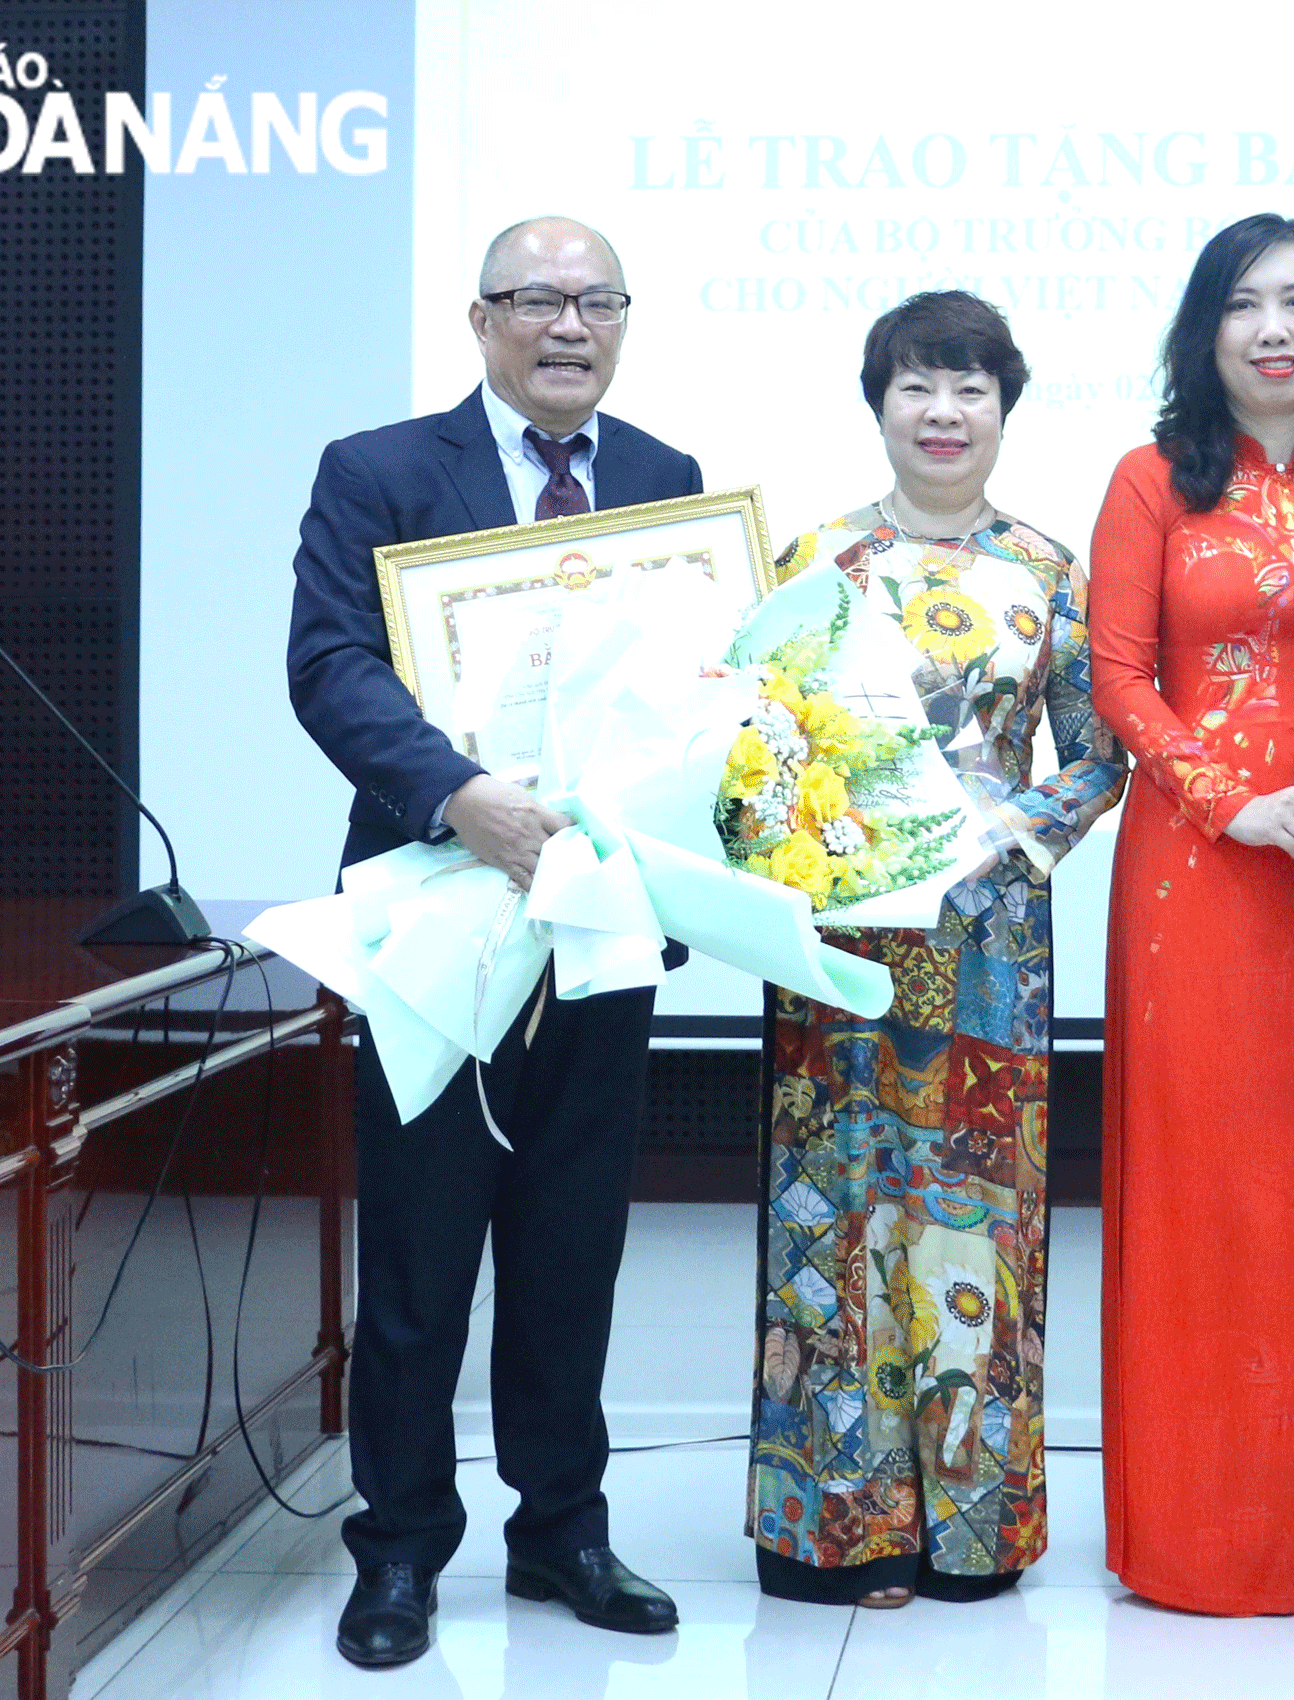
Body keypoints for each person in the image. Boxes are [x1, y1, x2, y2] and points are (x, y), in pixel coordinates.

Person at [288, 216, 698, 1667]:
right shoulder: (382, 473)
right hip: (434, 918)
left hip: (599, 926)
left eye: (596, 302)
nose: (568, 326)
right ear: (481, 321)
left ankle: (562, 1535)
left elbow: (685, 697)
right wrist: (461, 799)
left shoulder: (666, 484)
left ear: (624, 322)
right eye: (538, 300)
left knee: (570, 1251)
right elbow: (329, 665)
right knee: (418, 1257)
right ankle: (397, 1552)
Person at [748, 292, 1126, 1608]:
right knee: (837, 1217)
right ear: (880, 404)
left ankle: (970, 1525)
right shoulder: (812, 561)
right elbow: (748, 744)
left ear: (1006, 411)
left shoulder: (1053, 570)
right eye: (918, 386)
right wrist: (808, 827)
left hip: (987, 947)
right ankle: (836, 1524)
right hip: (838, 938)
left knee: (975, 1228)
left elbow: (1099, 755)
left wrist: (1002, 834)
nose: (944, 413)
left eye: (971, 389)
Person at [1088, 213, 1294, 1615]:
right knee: (1203, 1191)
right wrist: (1231, 798)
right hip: (1196, 881)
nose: (1276, 327)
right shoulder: (1149, 480)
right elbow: (1120, 680)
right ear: (1205, 330)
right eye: (1247, 304)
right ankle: (1192, 1526)